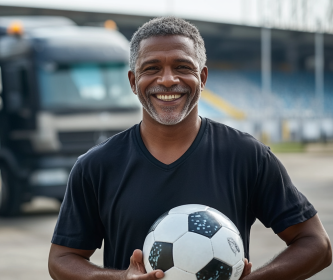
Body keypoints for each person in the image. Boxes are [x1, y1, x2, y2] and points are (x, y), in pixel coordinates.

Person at [48, 17, 332, 280]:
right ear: (134, 82)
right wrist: (120, 279)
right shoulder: (97, 165)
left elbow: (316, 244)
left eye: (183, 67)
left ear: (203, 77)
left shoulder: (247, 156)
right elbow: (61, 258)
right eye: (152, 68)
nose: (168, 79)